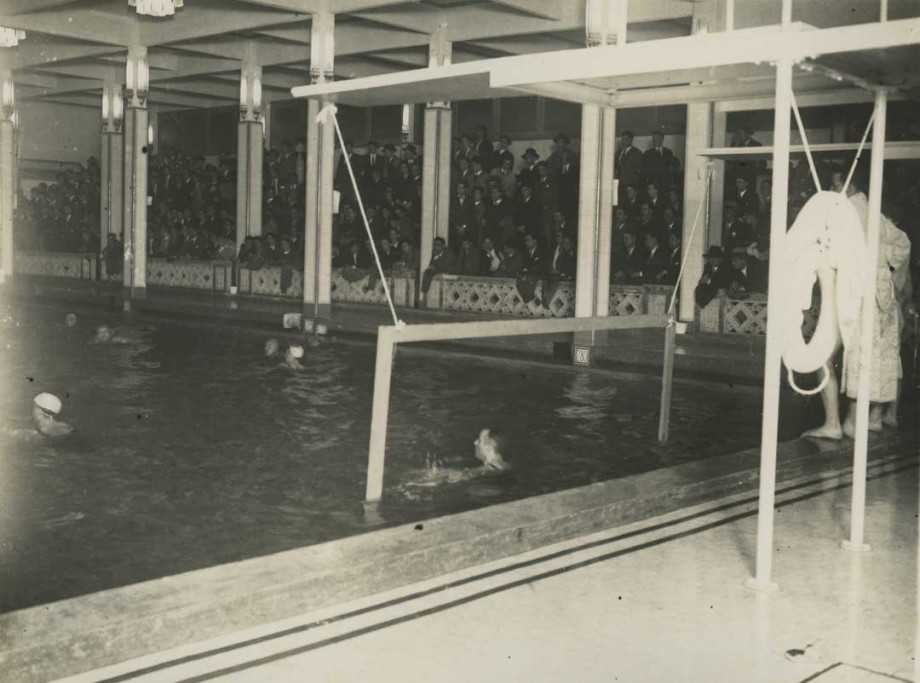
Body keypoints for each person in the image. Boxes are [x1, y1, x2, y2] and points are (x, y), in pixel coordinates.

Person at [804, 171, 912, 440]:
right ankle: (860, 419)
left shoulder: (847, 213)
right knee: (869, 356)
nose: (831, 188)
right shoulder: (876, 214)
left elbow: (835, 258)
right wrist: (885, 270)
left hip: (855, 295)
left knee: (832, 356)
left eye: (834, 184)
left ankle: (837, 423)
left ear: (848, 185)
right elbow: (903, 244)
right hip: (879, 296)